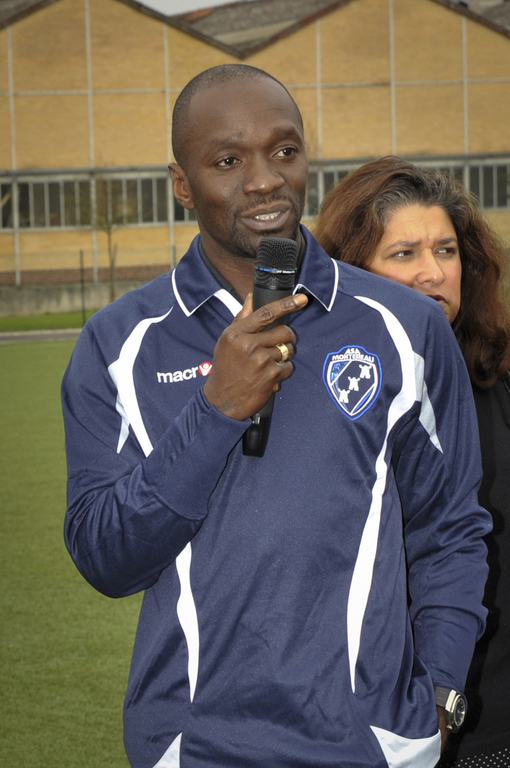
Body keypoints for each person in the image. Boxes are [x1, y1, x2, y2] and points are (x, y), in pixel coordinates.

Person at [62, 68, 491, 768]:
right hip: (195, 750)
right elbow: (106, 559)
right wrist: (215, 412)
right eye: (229, 160)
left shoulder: (405, 327)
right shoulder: (118, 345)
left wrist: (440, 697)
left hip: (374, 748)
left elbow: (450, 530)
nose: (265, 181)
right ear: (182, 183)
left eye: (284, 151)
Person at [314, 155, 510, 767]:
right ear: (351, 272)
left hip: (493, 722)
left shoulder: (499, 381)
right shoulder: (321, 401)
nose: (433, 272)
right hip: (372, 724)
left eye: (446, 251)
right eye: (404, 254)